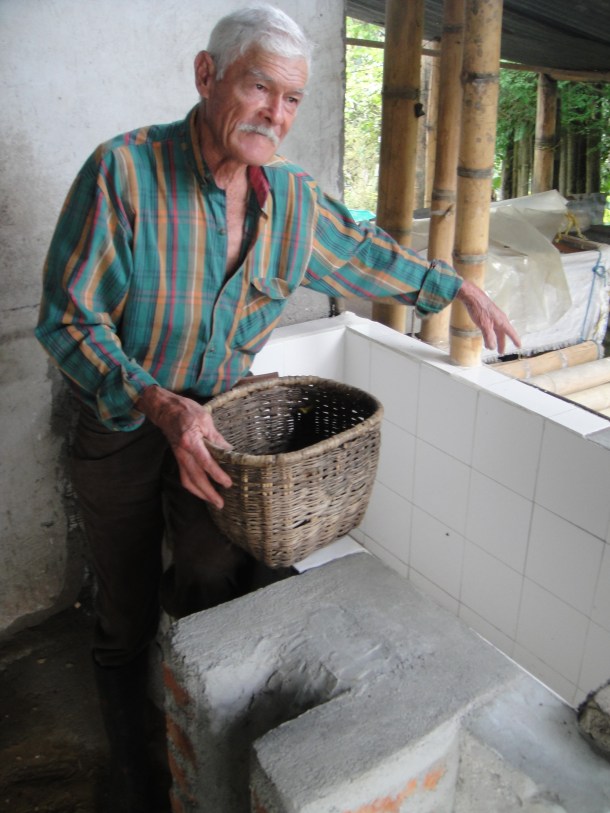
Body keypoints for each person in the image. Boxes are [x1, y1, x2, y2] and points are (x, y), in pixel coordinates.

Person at [35, 4, 520, 811]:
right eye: (261, 86)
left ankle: (193, 733)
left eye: (293, 98)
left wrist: (456, 285)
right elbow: (67, 316)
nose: (277, 114)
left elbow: (366, 254)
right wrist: (158, 403)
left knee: (210, 573)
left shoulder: (291, 200)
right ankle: (133, 775)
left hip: (220, 430)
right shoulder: (122, 172)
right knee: (120, 613)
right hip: (124, 421)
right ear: (207, 75)